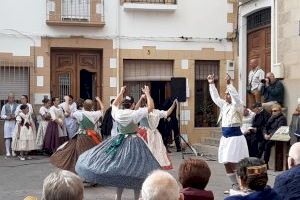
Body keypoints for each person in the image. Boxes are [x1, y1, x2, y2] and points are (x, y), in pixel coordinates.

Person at [75, 86, 160, 200]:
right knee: (137, 170)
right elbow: (151, 107)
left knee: (120, 170)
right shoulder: (135, 114)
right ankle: (136, 197)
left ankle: (118, 197)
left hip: (119, 141)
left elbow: (114, 104)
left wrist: (121, 92)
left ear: (124, 104)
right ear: (132, 105)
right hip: (134, 143)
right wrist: (148, 93)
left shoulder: (118, 113)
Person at [207, 74, 249, 192]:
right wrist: (211, 84)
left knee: (237, 163)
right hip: (225, 138)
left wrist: (229, 84)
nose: (226, 96)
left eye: (228, 94)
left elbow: (235, 96)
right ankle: (235, 185)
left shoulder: (238, 105)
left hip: (235, 138)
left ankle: (243, 186)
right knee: (226, 162)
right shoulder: (224, 105)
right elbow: (215, 98)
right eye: (225, 94)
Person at [50, 97, 104, 173]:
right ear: (92, 107)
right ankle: (91, 173)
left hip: (82, 137)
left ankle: (81, 171)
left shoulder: (80, 114)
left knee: (80, 154)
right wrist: (99, 100)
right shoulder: (95, 114)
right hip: (93, 136)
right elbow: (102, 109)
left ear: (83, 106)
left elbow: (68, 112)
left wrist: (67, 102)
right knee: (92, 154)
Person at [135, 94, 177, 169]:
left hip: (154, 133)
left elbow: (167, 113)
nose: (152, 103)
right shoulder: (143, 110)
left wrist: (174, 104)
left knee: (156, 151)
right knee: (144, 150)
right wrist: (141, 99)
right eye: (150, 102)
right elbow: (135, 109)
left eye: (152, 102)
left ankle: (152, 166)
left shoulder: (156, 112)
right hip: (143, 133)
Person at [261, 103, 287, 167]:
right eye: (272, 111)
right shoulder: (271, 118)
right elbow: (265, 127)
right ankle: (259, 161)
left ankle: (265, 163)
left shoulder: (282, 118)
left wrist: (270, 135)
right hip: (269, 135)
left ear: (280, 111)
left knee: (267, 145)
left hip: (277, 136)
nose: (273, 112)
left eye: (275, 111)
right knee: (260, 143)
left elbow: (279, 129)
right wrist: (265, 134)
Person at [1, 92, 18, 158]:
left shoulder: (17, 105)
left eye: (13, 97)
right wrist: (6, 117)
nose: (12, 98)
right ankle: (8, 151)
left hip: (14, 123)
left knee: (14, 137)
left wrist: (15, 116)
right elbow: (2, 115)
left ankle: (13, 151)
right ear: (8, 98)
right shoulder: (4, 106)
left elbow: (18, 113)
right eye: (10, 97)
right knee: (7, 137)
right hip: (7, 123)